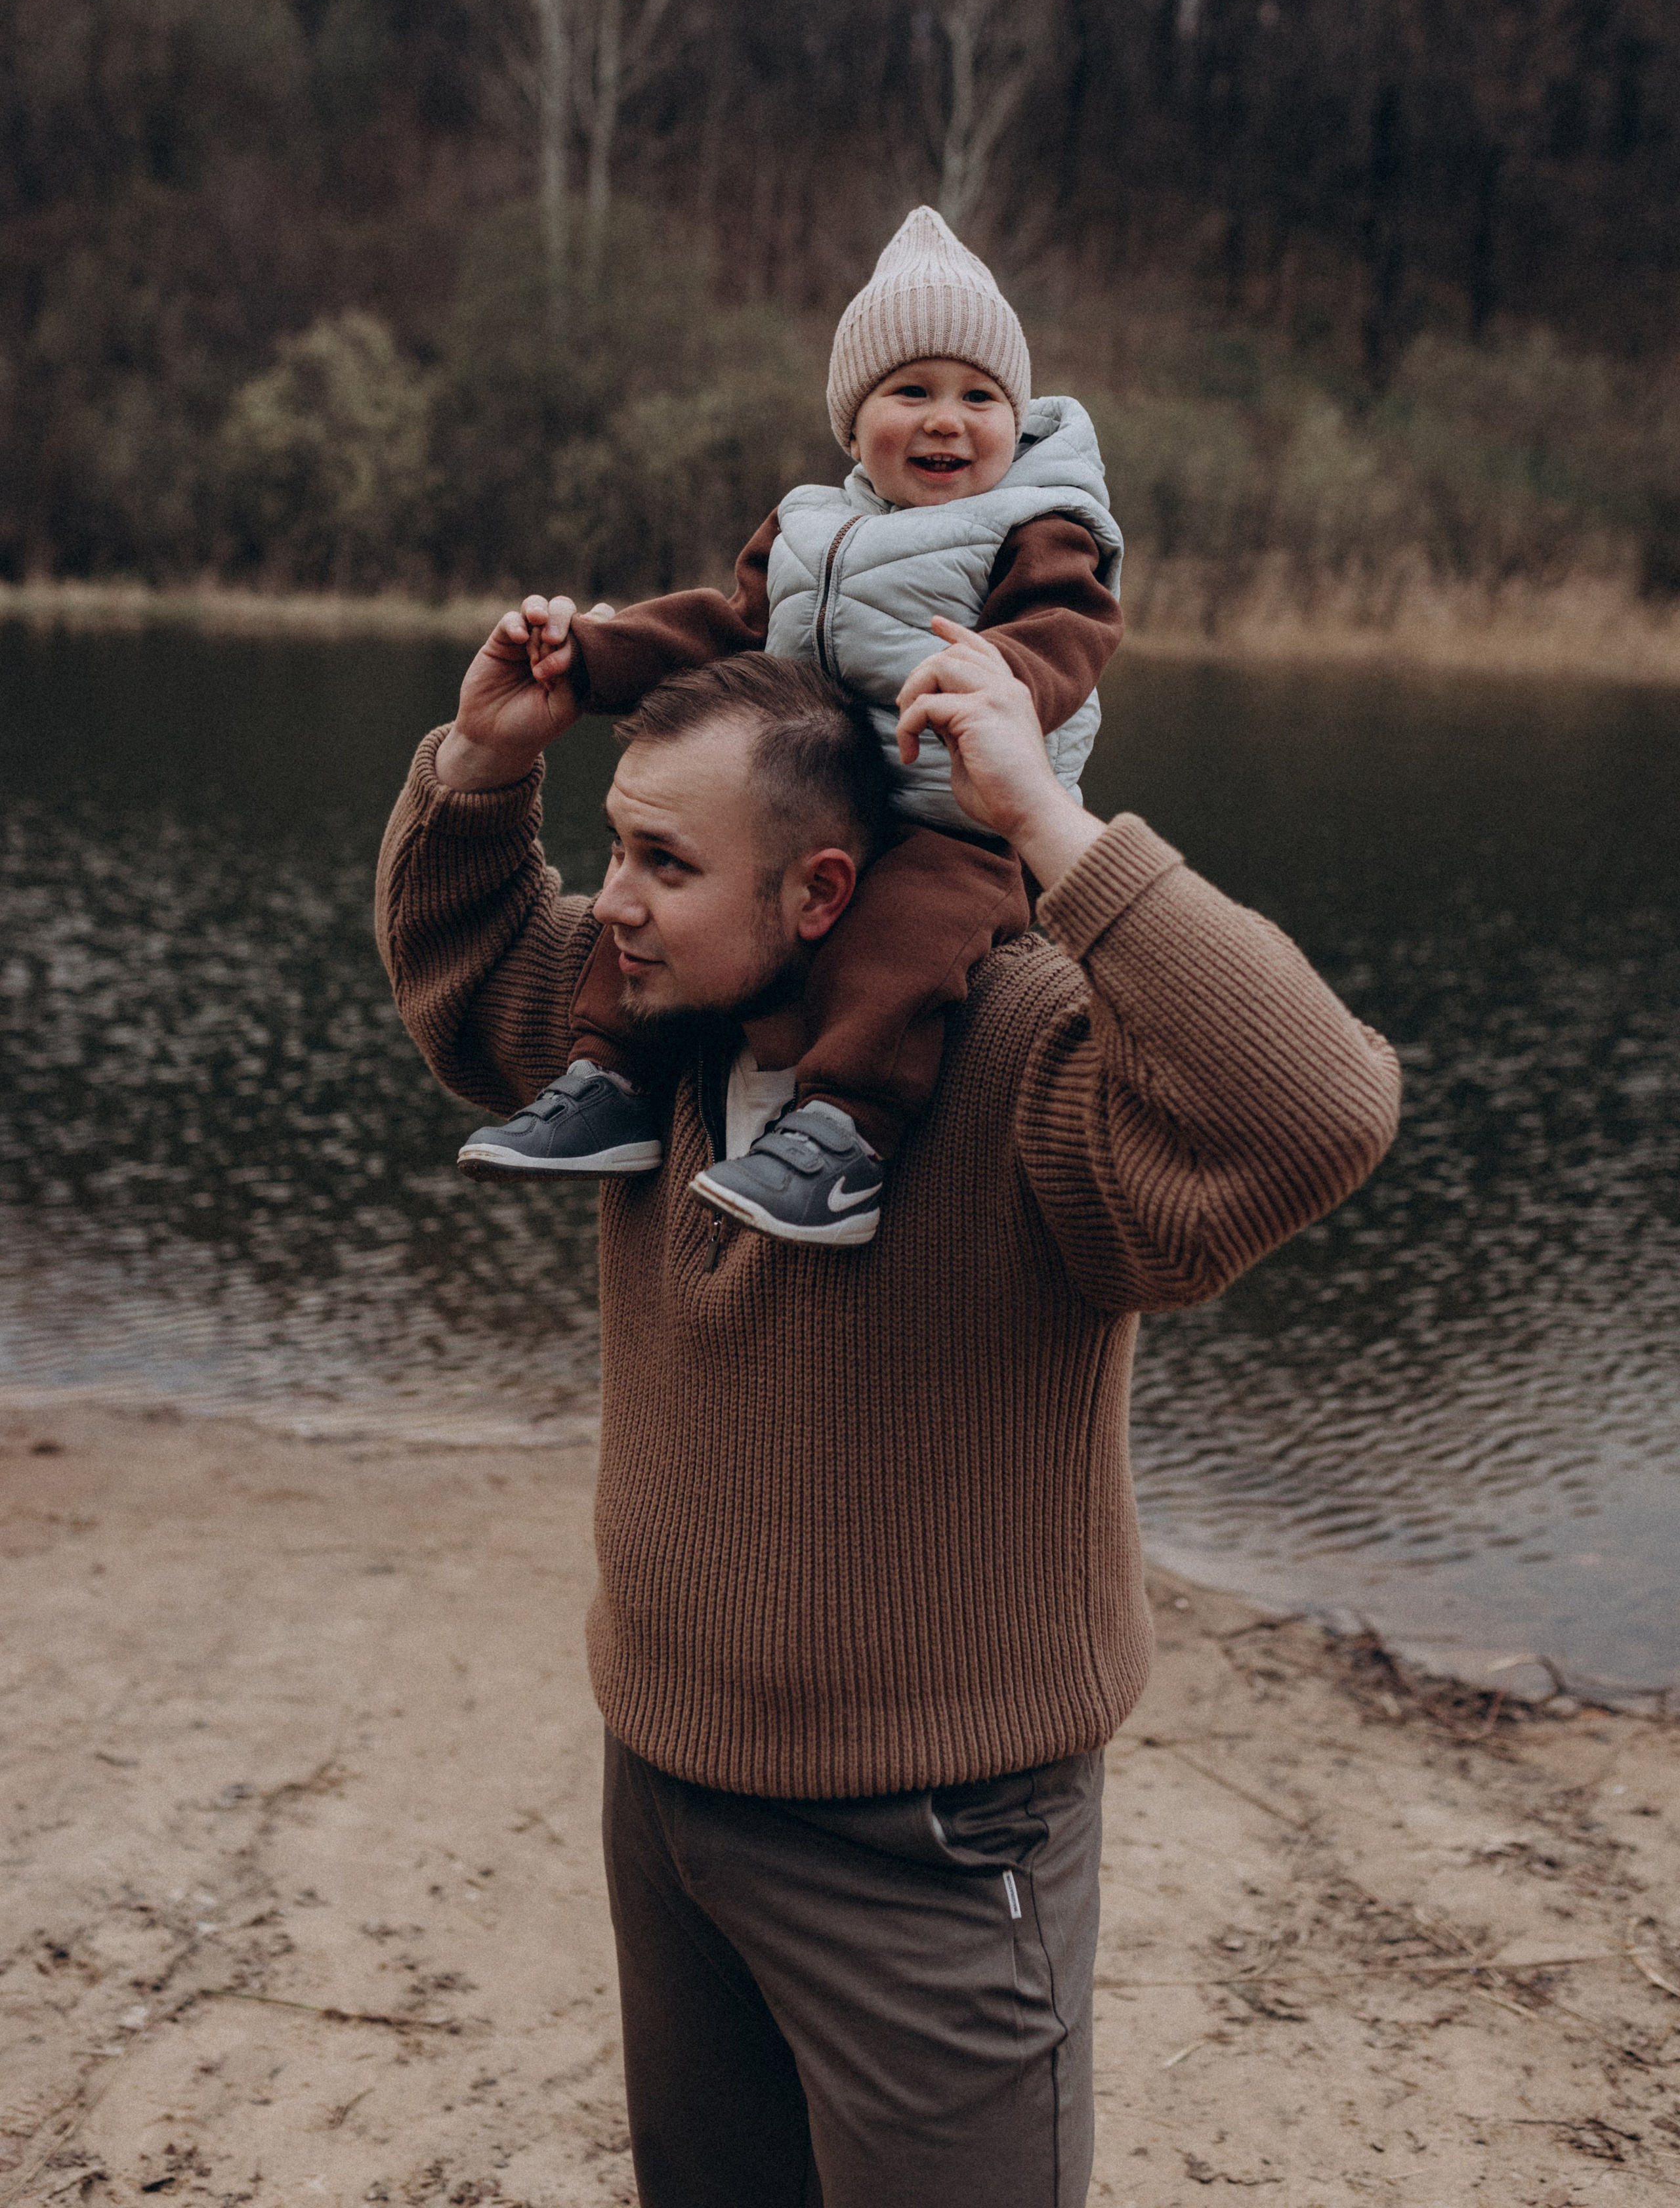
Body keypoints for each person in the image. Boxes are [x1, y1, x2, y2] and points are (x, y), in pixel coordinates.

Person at [375, 617, 1401, 2207]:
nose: (615, 907)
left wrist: (1050, 831)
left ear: (820, 894)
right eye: (611, 852)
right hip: (665, 1788)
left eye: (661, 862)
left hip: (928, 1836)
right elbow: (469, 972)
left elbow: (1314, 1105)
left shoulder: (1026, 1057)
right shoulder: (648, 1030)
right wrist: (486, 766)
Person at [453, 204, 1124, 1247]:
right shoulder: (812, 527)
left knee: (903, 938)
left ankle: (843, 1139)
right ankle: (608, 1082)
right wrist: (589, 658)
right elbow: (726, 635)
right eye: (912, 392)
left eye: (981, 397)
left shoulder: (1037, 528)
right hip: (812, 804)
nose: (948, 420)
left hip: (960, 823)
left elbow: (1071, 631)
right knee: (652, 907)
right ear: (854, 424)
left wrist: (1004, 680)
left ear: (1018, 416)